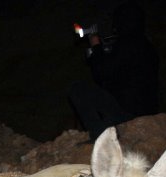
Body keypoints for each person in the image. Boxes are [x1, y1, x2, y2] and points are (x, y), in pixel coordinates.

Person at [68, 0, 159, 140]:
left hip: (127, 112)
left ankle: (98, 135)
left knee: (78, 89)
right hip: (148, 110)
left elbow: (101, 74)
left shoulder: (126, 44)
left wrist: (96, 47)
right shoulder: (147, 46)